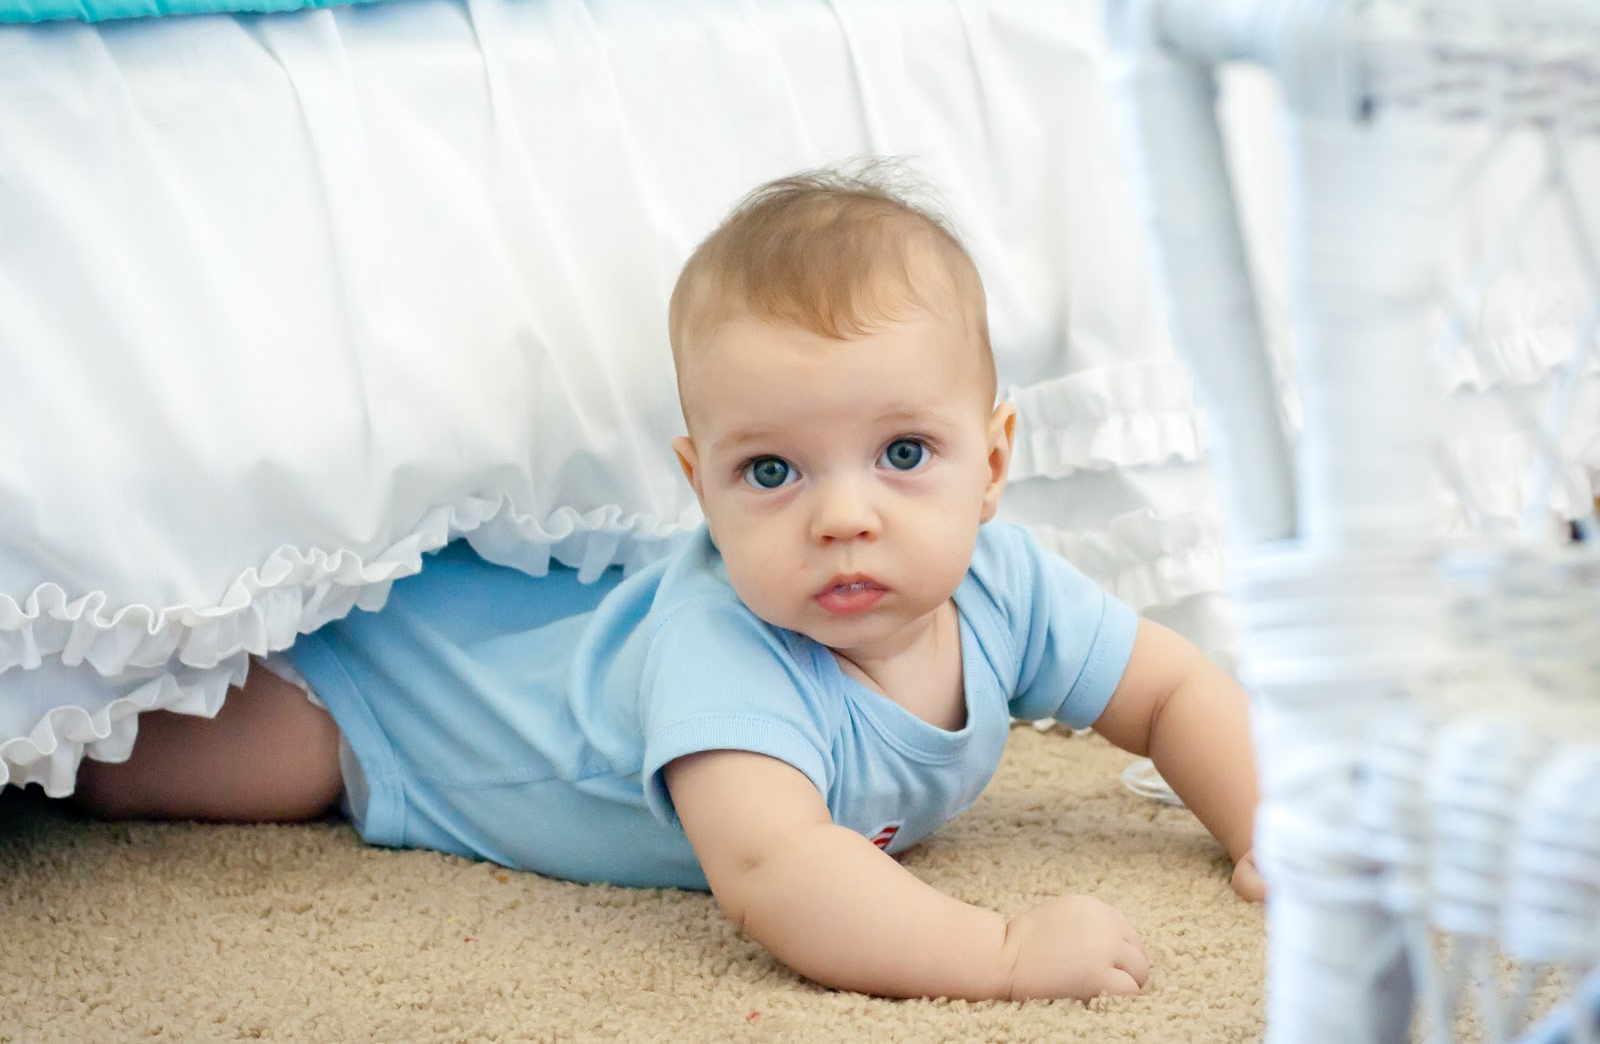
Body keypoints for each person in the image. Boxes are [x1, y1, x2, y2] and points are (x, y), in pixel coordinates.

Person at [74, 163, 1263, 1002]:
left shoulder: (1007, 586)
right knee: (143, 764)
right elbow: (778, 873)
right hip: (398, 704)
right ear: (703, 486)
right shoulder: (725, 646)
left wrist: (1271, 822)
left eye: (904, 453)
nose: (843, 515)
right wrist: (999, 953)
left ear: (991, 463)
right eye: (771, 470)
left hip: (536, 647)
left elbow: (1170, 690)